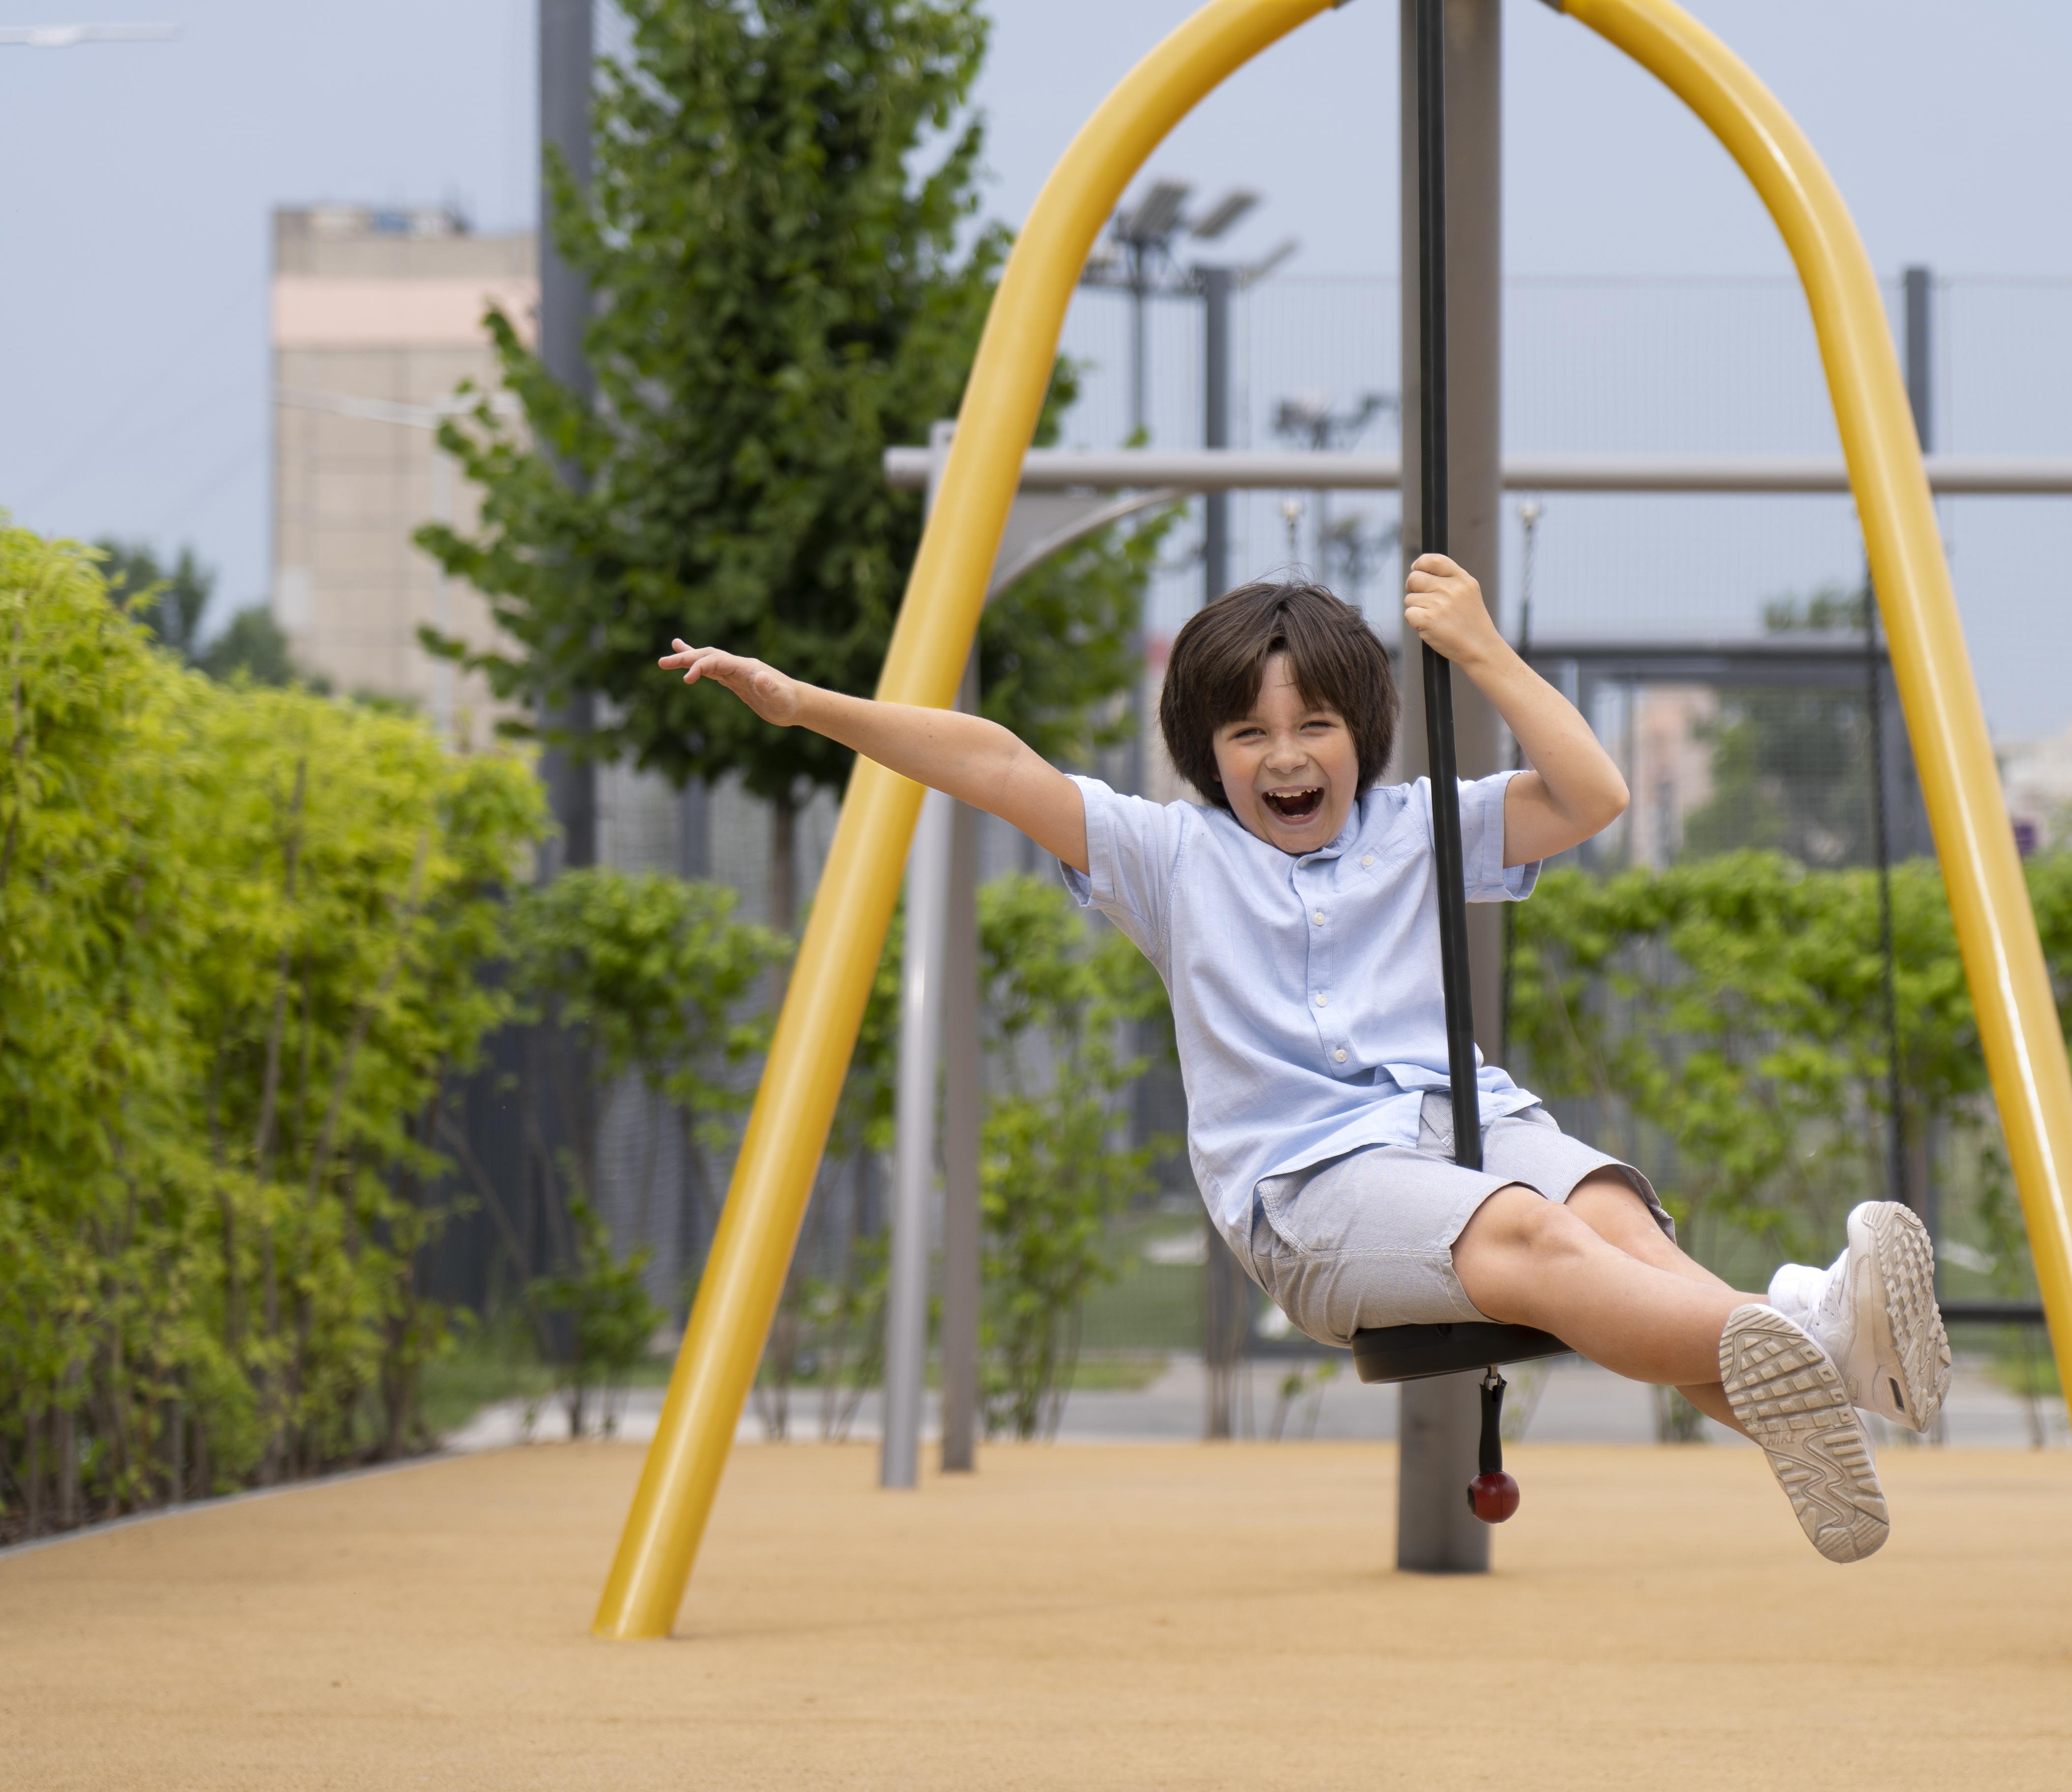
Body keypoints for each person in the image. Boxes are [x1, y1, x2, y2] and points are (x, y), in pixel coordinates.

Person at [660, 553, 1948, 1562]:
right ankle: (1824, 1333)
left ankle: (1826, 1365)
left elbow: (1592, 795)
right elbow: (995, 761)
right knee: (1537, 1237)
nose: (1286, 757)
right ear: (1206, 754)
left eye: (1316, 724)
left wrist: (1482, 649)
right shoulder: (1169, 856)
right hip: (1312, 1182)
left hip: (1466, 1120)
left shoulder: (1417, 826)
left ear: (1364, 731)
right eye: (1248, 736)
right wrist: (800, 703)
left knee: (1618, 1221)